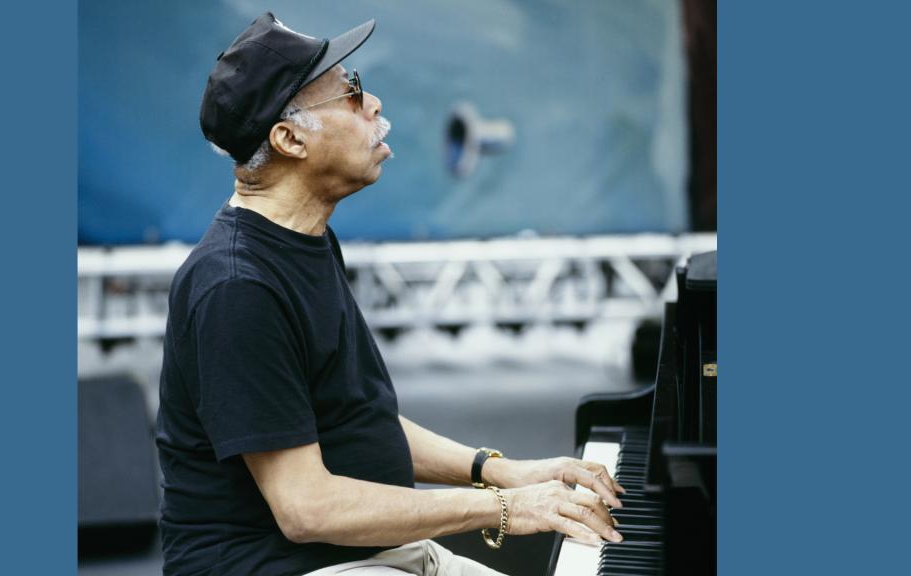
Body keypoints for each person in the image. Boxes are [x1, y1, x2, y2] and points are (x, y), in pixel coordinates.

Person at [155, 12, 625, 576]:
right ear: (289, 139)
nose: (373, 103)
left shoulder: (305, 240)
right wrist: (503, 508)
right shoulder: (236, 288)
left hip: (365, 553)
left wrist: (498, 471)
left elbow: (354, 419)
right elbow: (307, 509)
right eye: (350, 92)